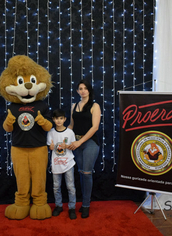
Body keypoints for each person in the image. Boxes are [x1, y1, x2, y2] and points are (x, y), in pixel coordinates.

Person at [67, 79, 101, 218]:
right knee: (81, 173)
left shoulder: (95, 106)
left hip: (89, 143)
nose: (83, 91)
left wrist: (79, 142)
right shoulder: (74, 106)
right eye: (80, 88)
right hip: (76, 143)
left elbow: (95, 127)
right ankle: (83, 203)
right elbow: (71, 126)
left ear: (89, 90)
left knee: (87, 173)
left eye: (85, 88)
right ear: (77, 91)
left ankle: (86, 205)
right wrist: (58, 135)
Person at [47, 109, 77, 220]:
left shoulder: (69, 132)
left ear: (64, 119)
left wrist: (67, 146)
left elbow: (73, 146)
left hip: (68, 163)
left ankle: (72, 207)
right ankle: (58, 206)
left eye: (61, 118)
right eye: (56, 119)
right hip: (56, 164)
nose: (59, 121)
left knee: (70, 187)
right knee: (56, 187)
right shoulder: (51, 132)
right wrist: (51, 147)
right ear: (53, 120)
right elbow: (50, 146)